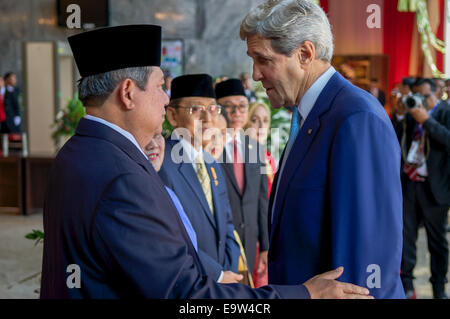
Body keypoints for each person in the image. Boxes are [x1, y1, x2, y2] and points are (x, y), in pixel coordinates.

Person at [41, 24, 372, 299]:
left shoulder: (78, 152)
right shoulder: (122, 175)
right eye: (160, 87)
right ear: (128, 93)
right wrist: (304, 294)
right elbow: (186, 296)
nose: (165, 99)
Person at [240, 0, 405, 299]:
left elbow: (366, 260)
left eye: (263, 60)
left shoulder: (356, 117)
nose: (255, 74)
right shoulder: (308, 113)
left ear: (304, 54)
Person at [159, 74, 242, 284]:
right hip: (188, 283)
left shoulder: (212, 162)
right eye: (196, 109)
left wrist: (228, 271)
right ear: (172, 115)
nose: (208, 119)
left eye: (213, 109)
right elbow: (172, 236)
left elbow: (227, 224)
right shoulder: (161, 163)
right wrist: (218, 275)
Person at [392, 78, 450, 299]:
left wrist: (427, 121)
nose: (420, 100)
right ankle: (406, 286)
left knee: (437, 243)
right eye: (416, 94)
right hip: (409, 185)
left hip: (435, 188)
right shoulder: (409, 110)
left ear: (437, 94)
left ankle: (438, 287)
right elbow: (393, 138)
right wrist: (399, 115)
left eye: (425, 96)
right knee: (406, 237)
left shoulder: (445, 112)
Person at [215, 79, 269, 287]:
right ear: (217, 109)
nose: (236, 112)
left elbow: (261, 201)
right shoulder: (209, 148)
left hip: (248, 244)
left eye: (242, 106)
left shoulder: (255, 148)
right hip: (220, 245)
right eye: (229, 106)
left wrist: (264, 246)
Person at [145, 133, 198, 251]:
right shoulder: (140, 195)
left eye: (158, 135)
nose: (153, 145)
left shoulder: (168, 193)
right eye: (146, 136)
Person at [245, 102, 277, 197]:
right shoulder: (239, 155)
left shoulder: (268, 156)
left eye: (265, 121)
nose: (262, 126)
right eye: (255, 120)